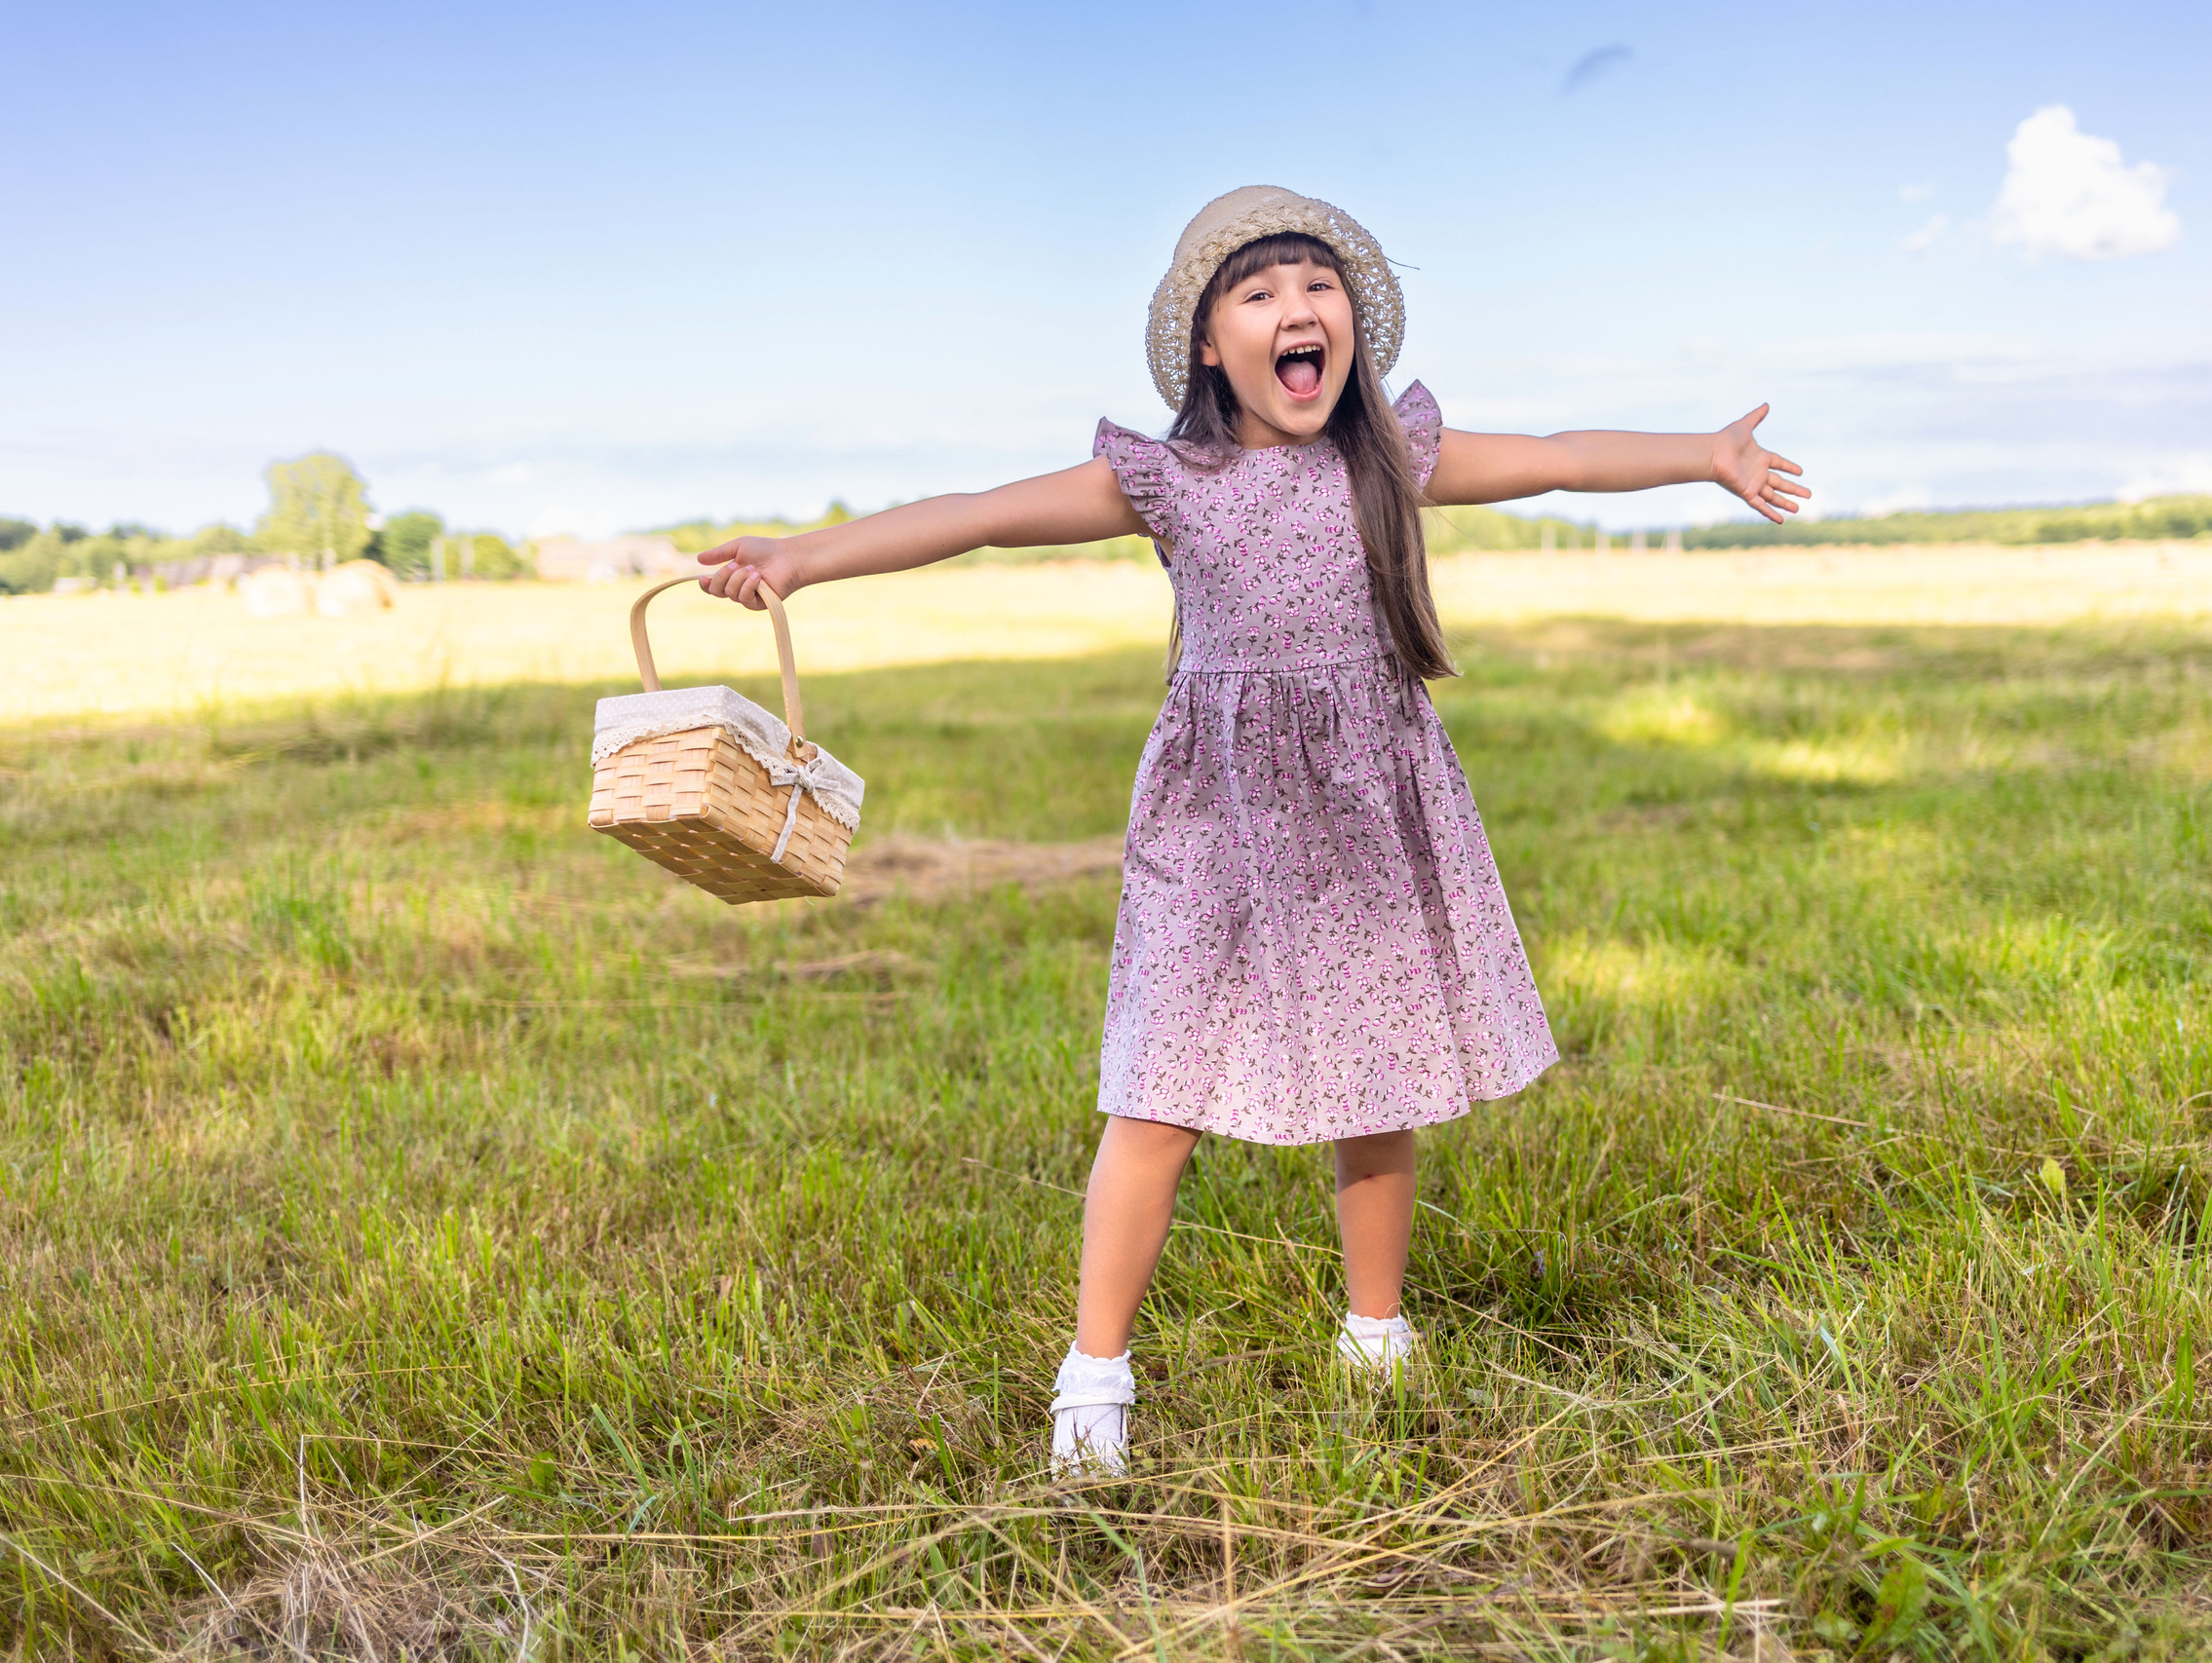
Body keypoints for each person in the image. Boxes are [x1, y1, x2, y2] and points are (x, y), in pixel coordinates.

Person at [697, 186, 1807, 1474]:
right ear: (1212, 349)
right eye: (1261, 291)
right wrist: (801, 554)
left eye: (1318, 285)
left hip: (1368, 810)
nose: (1298, 309)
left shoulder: (1395, 459)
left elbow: (1561, 453)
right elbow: (982, 513)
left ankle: (1376, 1336)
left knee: (1378, 1078)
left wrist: (1706, 454)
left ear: (1352, 329)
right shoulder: (1170, 478)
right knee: (1156, 1090)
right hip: (1214, 821)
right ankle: (1094, 1377)